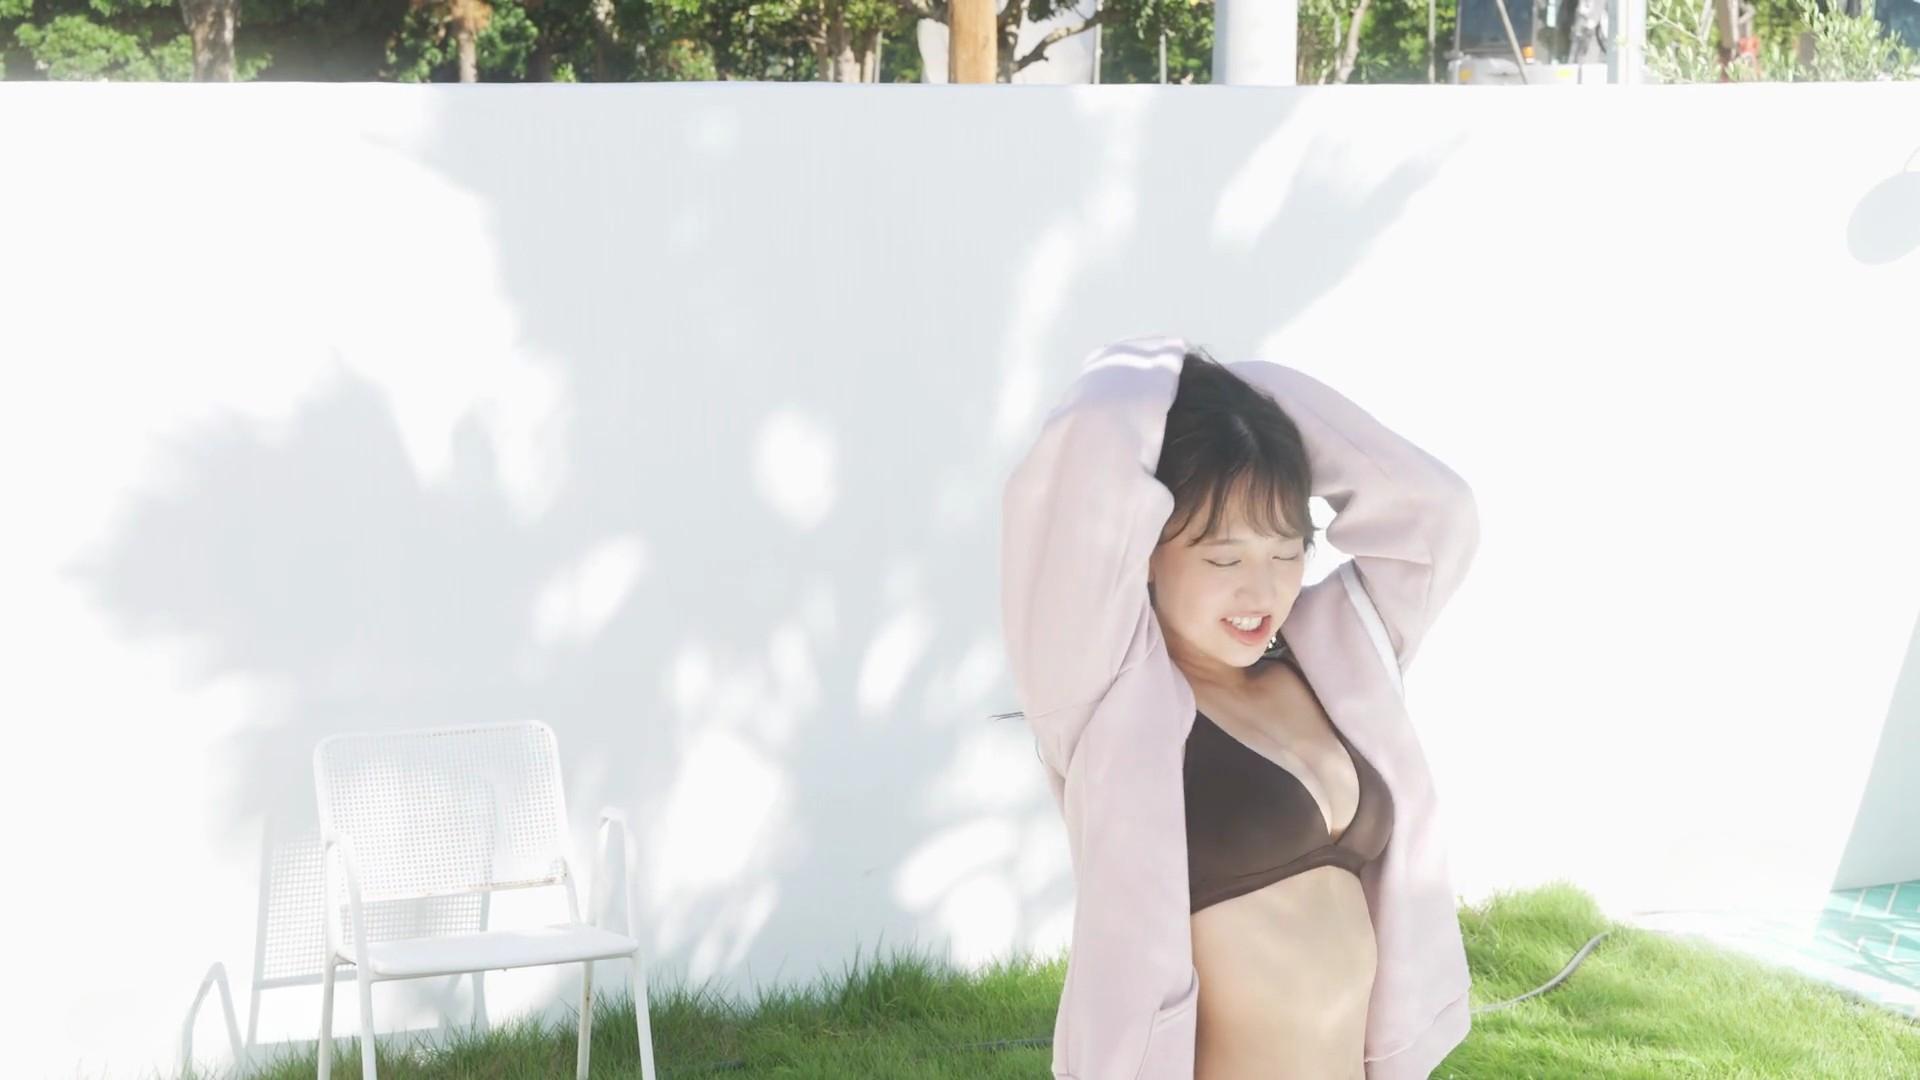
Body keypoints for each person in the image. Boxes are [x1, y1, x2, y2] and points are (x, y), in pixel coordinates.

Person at [999, 334, 1481, 1079]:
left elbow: (1437, 514)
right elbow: (1087, 454)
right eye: (1224, 558)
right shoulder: (1105, 692)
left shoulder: (1332, 654)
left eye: (1286, 552)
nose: (1262, 591)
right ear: (1145, 548)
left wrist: (1256, 413)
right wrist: (1194, 389)